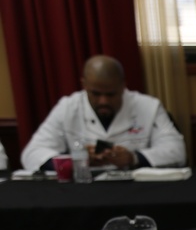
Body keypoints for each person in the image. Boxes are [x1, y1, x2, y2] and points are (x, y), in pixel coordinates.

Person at [20, 55, 185, 172]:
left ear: (122, 86)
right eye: (96, 94)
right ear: (84, 85)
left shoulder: (148, 106)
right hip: (83, 191)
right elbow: (32, 154)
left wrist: (133, 158)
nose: (103, 101)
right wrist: (77, 161)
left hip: (135, 190)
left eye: (111, 94)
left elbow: (176, 151)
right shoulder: (68, 107)